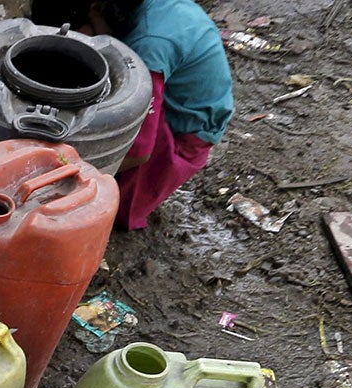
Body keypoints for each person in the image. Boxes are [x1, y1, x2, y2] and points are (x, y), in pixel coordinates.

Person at [30, 0, 234, 230]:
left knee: (107, 210)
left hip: (187, 130)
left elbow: (140, 151)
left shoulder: (147, 49)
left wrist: (70, 180)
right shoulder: (130, 10)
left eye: (77, 35)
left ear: (96, 9)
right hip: (176, 86)